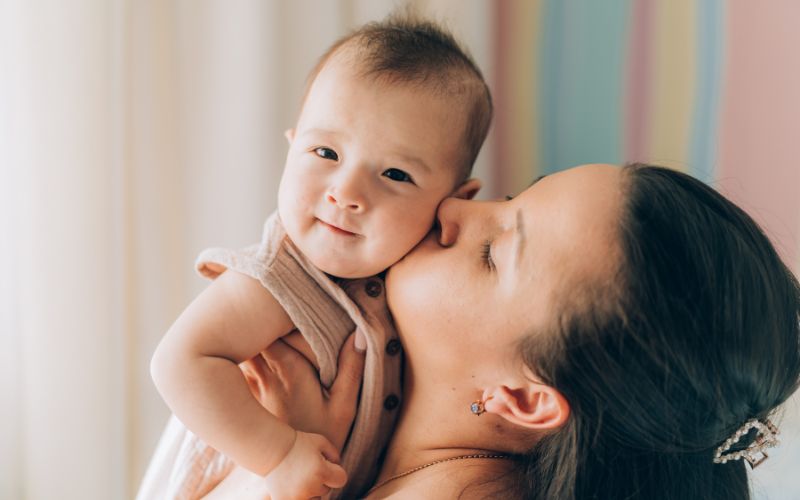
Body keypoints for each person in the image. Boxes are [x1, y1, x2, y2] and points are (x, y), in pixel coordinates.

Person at [208, 163, 800, 499]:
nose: (456, 210)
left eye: (491, 252)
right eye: (514, 196)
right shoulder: (343, 394)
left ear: (523, 398)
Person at [140, 14, 490, 500]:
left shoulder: (414, 283)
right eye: (325, 153)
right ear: (292, 148)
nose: (345, 193)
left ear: (456, 201)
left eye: (394, 174)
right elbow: (179, 361)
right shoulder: (279, 275)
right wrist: (277, 454)